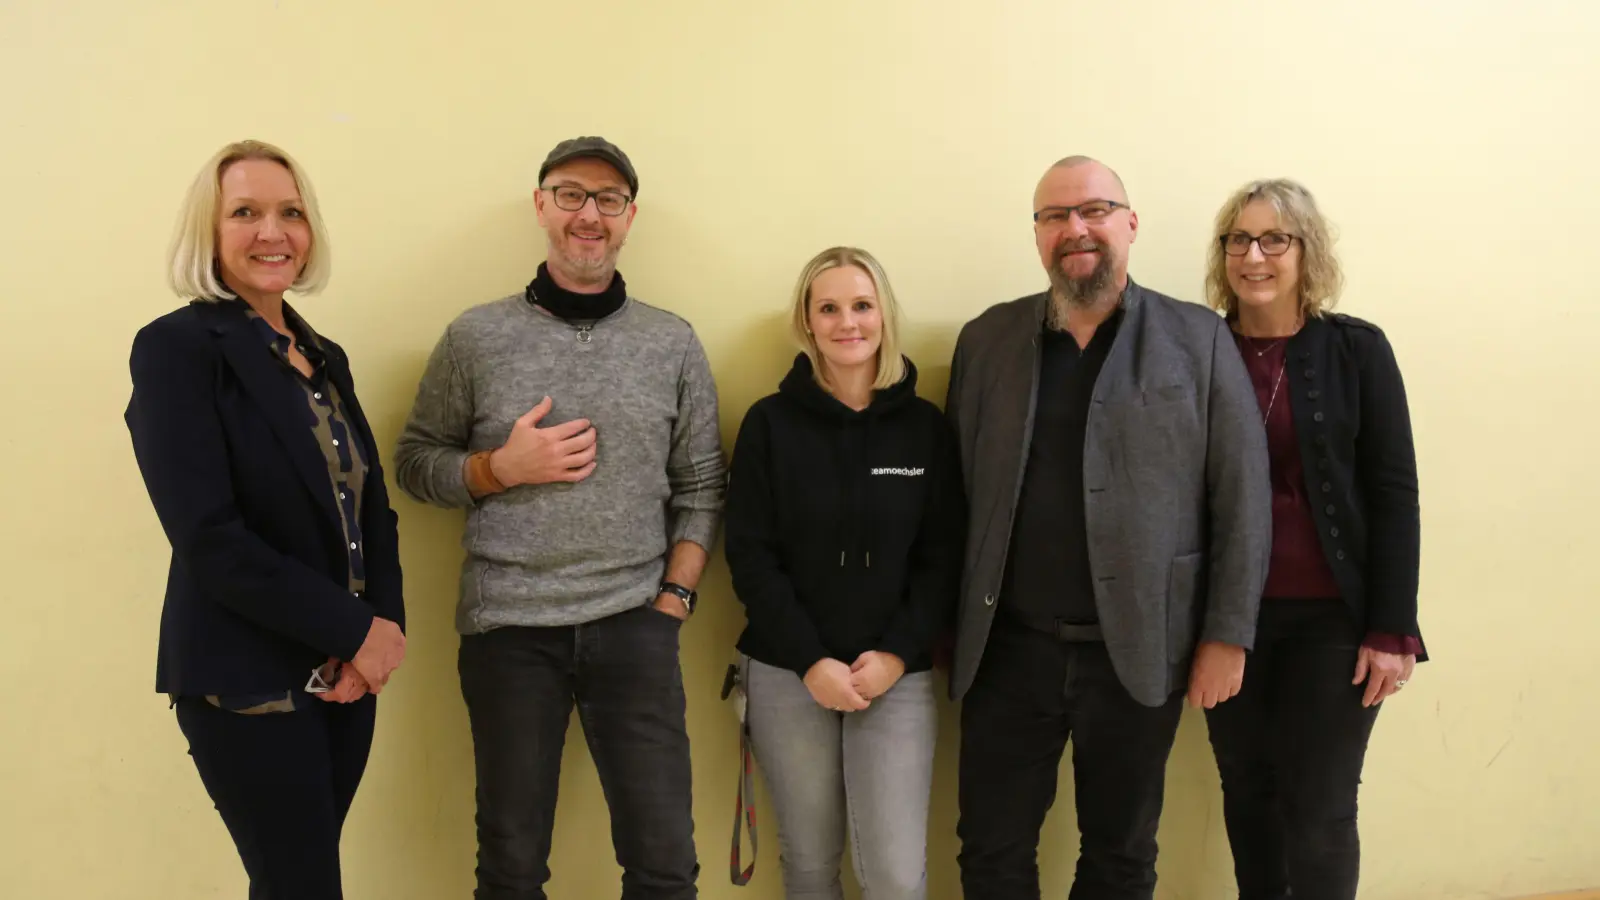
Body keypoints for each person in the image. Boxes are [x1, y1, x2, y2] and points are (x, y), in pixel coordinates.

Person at [393, 135, 726, 900]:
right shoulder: (475, 336)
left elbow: (703, 484)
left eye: (608, 199)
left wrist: (674, 598)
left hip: (635, 624)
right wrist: (496, 469)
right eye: (571, 194)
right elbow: (414, 463)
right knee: (511, 870)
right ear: (541, 206)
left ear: (629, 217)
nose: (589, 215)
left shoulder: (671, 342)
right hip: (509, 629)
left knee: (665, 866)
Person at [944, 155, 1272, 900]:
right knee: (991, 851)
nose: (1076, 229)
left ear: (1130, 223)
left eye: (1094, 210)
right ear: (1037, 234)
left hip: (1144, 651)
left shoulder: (1198, 339)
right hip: (1007, 651)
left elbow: (1242, 497)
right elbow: (958, 494)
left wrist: (1227, 634)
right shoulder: (986, 340)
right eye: (1055, 216)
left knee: (1120, 857)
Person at [124, 139, 408, 900]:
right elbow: (211, 539)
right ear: (209, 232)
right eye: (245, 213)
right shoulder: (177, 350)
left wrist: (379, 637)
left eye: (290, 213)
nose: (272, 232)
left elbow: (371, 511)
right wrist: (355, 630)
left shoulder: (323, 355)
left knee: (296, 884)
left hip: (344, 678)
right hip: (246, 679)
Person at [1201, 178, 1425, 900]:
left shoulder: (1357, 350)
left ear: (1307, 252)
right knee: (1248, 793)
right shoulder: (1198, 350)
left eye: (1275, 239)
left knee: (1320, 808)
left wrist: (1391, 628)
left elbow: (1394, 493)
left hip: (1334, 621)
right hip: (1228, 621)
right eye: (1239, 240)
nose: (1253, 256)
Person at [723, 247, 965, 900]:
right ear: (806, 321)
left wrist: (894, 655)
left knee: (894, 876)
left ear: (884, 315)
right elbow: (750, 555)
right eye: (828, 308)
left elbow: (943, 557)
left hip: (896, 674)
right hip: (788, 671)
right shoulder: (769, 425)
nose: (847, 322)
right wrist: (810, 662)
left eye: (862, 305)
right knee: (808, 864)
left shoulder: (925, 428)